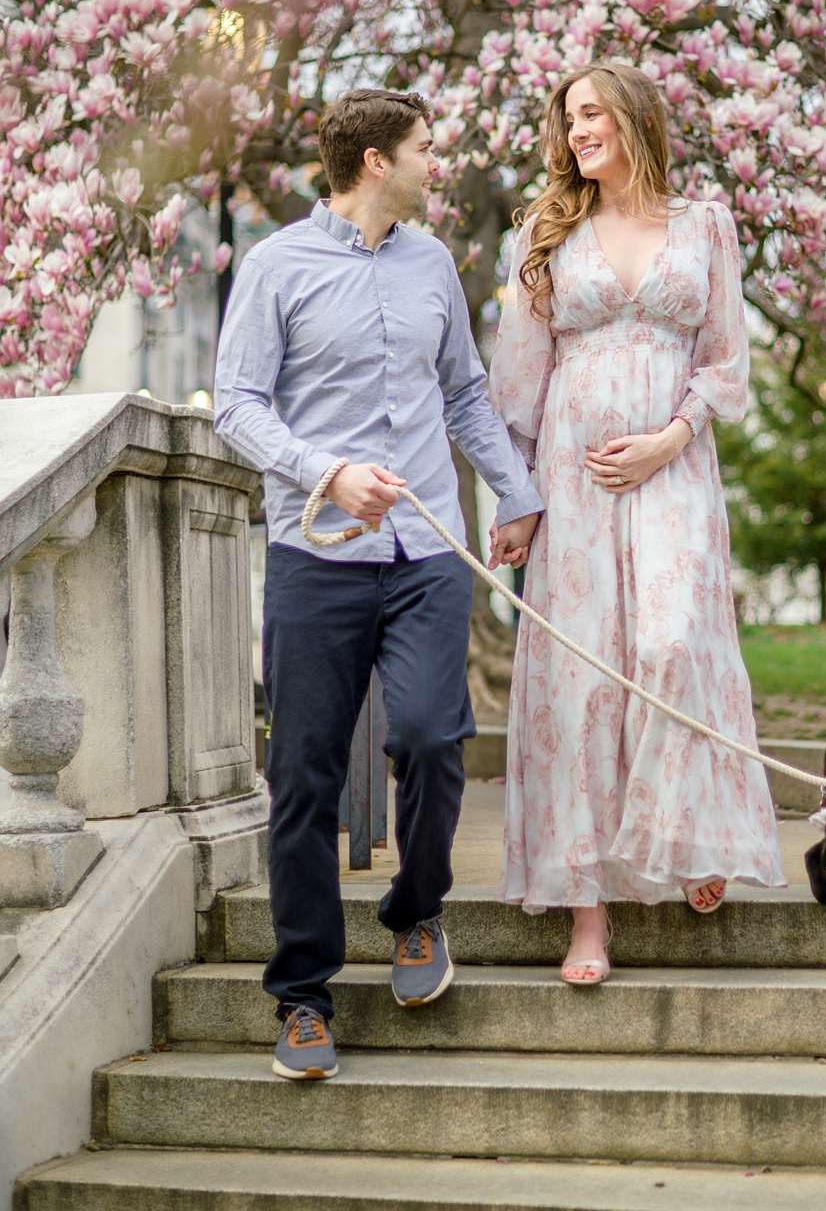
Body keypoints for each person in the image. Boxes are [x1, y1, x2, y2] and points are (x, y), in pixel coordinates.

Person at [214, 89, 546, 1081]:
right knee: (306, 774)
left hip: (425, 553)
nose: (435, 161)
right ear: (372, 161)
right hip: (315, 556)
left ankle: (417, 913)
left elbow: (464, 392)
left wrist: (517, 493)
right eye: (424, 147)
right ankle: (303, 994)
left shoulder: (433, 260)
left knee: (432, 736)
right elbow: (236, 404)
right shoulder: (276, 266)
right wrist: (327, 471)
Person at [488, 61, 786, 984]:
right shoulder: (544, 231)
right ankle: (588, 914)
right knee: (583, 679)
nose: (578, 130)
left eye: (593, 114)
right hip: (572, 481)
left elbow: (724, 357)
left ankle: (680, 829)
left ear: (633, 119)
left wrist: (669, 439)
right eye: (569, 117)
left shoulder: (705, 224)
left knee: (670, 646)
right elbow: (519, 377)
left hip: (673, 467)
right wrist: (517, 501)